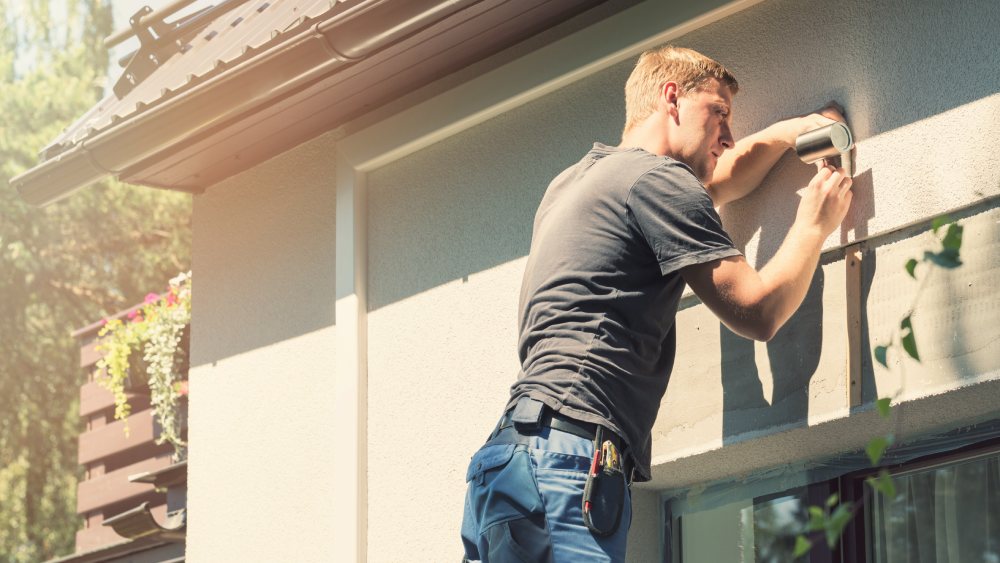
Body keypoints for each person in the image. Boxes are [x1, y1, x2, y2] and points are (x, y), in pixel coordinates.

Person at [460, 45, 853, 562]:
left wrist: (793, 132)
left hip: (506, 463)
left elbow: (723, 177)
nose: (729, 136)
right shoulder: (657, 182)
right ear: (673, 97)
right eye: (721, 114)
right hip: (567, 458)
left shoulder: (578, 182)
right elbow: (759, 312)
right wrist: (814, 224)